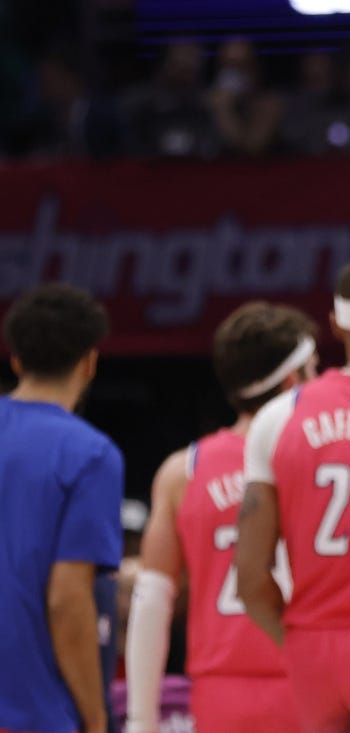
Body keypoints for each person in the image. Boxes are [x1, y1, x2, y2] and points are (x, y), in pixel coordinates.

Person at [237, 256, 350, 733]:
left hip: (312, 647)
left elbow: (250, 579)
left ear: (335, 325)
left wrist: (295, 641)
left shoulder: (277, 417)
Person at [124, 301, 318, 733]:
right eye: (315, 370)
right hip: (311, 680)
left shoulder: (183, 471)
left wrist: (140, 721)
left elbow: (151, 600)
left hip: (221, 694)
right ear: (293, 379)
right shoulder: (329, 459)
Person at [0, 283, 123, 733]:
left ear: (16, 360)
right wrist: (95, 718)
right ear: (89, 363)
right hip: (33, 712)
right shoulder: (90, 454)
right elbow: (67, 598)